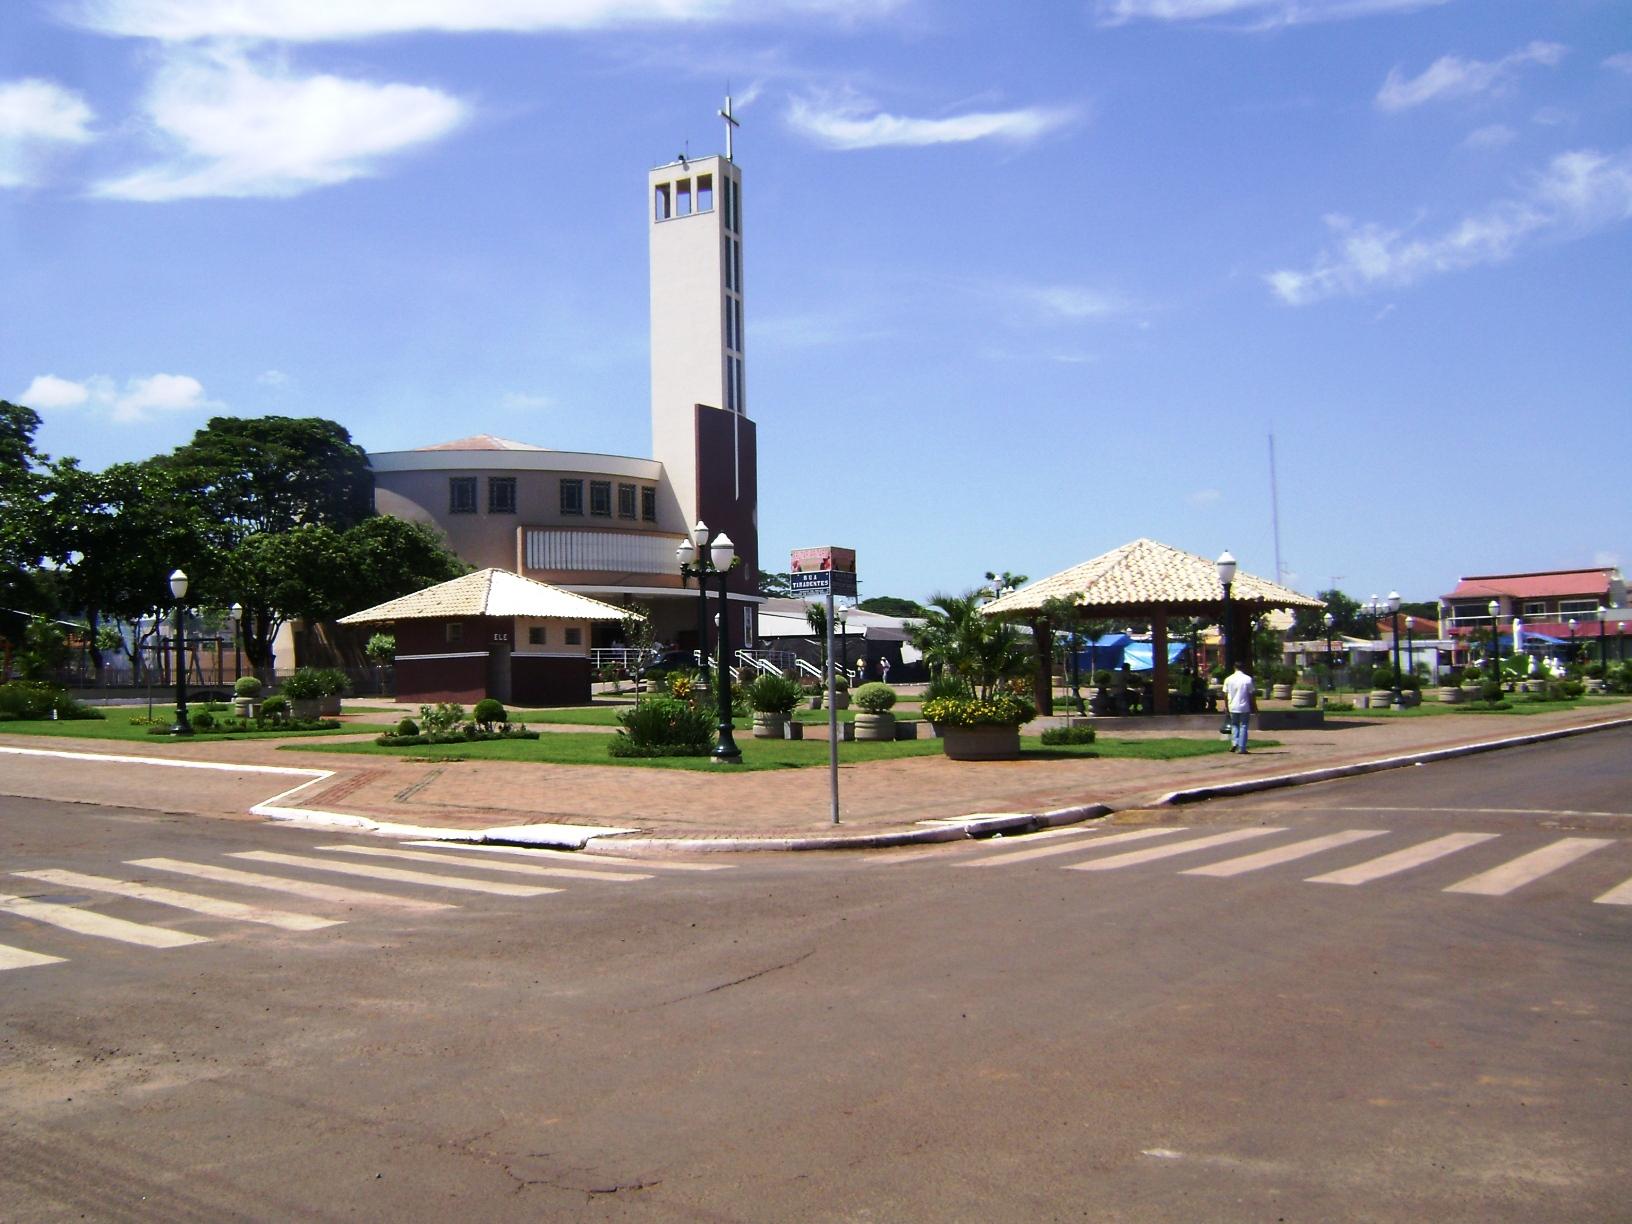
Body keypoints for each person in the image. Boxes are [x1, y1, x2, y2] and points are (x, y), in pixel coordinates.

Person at [1223, 662, 1255, 753]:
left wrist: (1226, 706)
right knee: (1244, 725)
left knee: (1234, 725)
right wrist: (1253, 705)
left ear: (1234, 667)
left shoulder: (1228, 679)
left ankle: (1234, 743)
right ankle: (1242, 747)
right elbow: (1251, 694)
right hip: (1244, 706)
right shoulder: (1248, 679)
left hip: (1232, 705)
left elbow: (1225, 694)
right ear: (1243, 668)